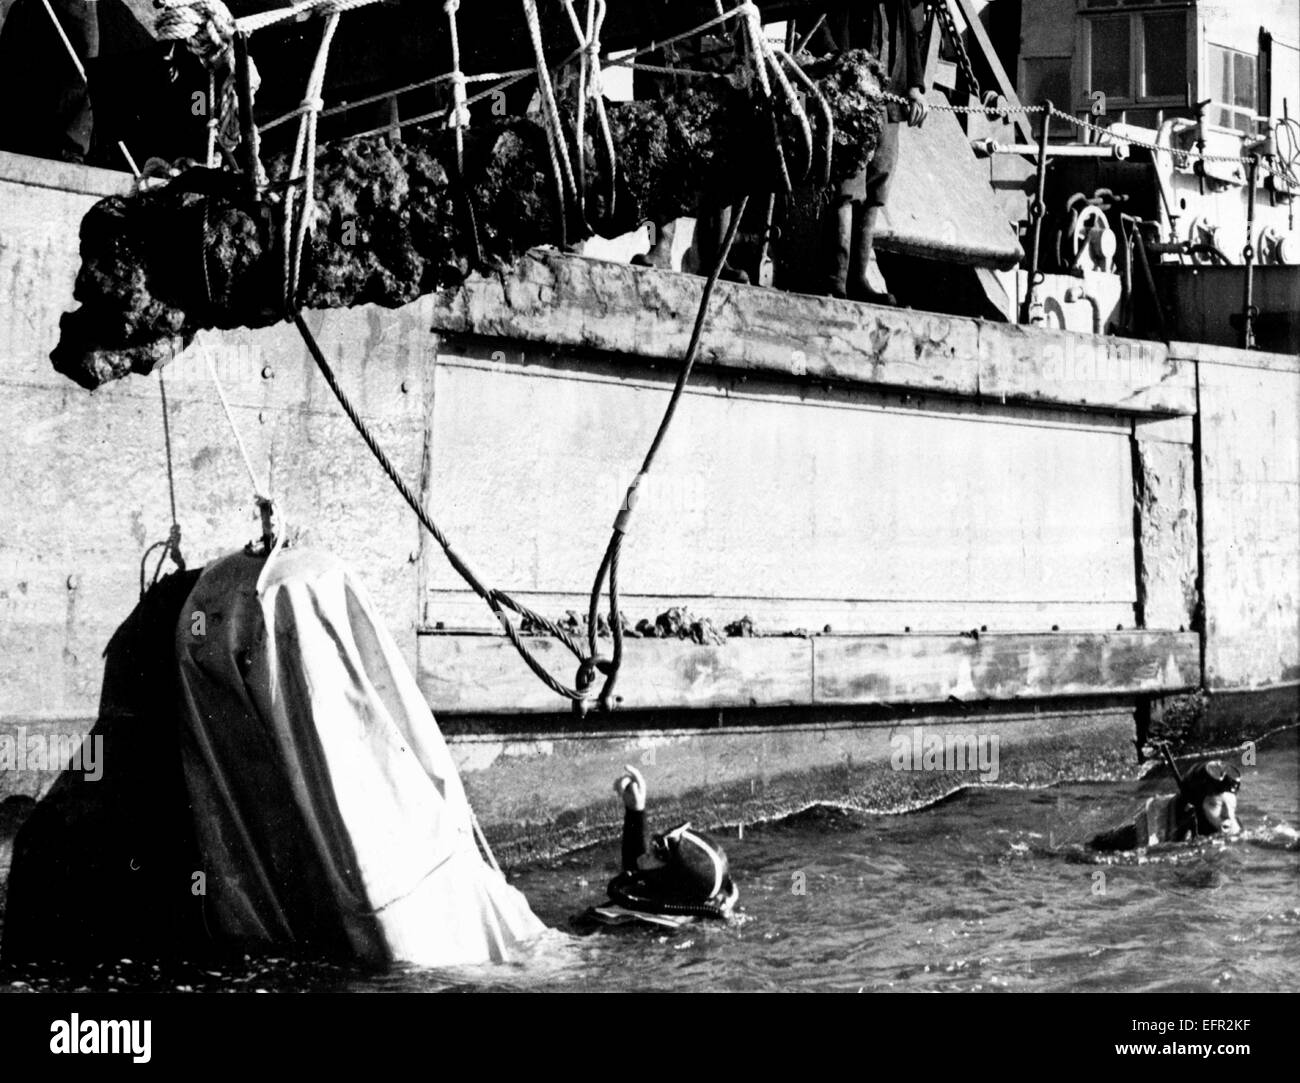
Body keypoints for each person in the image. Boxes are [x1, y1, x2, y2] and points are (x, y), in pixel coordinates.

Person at [817, 0, 930, 304]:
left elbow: (909, 38)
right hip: (853, 98)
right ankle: (835, 279)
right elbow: (820, 20)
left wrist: (916, 87)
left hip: (890, 104)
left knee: (876, 189)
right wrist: (838, 64)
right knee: (847, 187)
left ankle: (858, 280)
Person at [607, 765, 739, 918]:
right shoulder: (675, 904)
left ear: (670, 879)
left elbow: (638, 876)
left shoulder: (641, 929)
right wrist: (636, 811)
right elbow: (638, 874)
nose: (652, 846)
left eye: (661, 854)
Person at [1089, 760, 1243, 852]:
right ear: (1193, 808)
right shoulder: (1142, 837)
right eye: (1215, 805)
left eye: (1232, 807)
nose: (1228, 816)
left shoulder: (1234, 829)